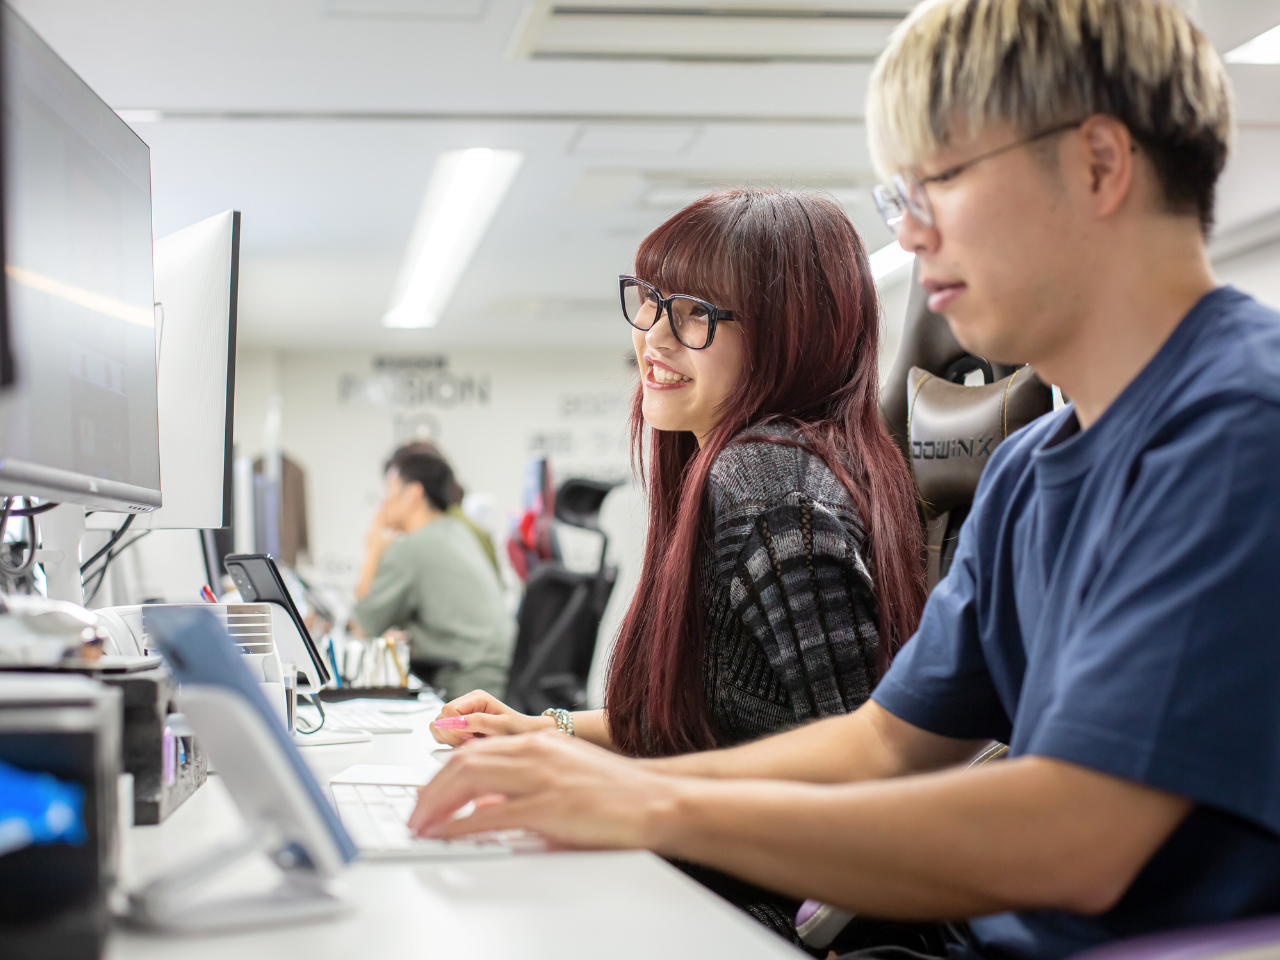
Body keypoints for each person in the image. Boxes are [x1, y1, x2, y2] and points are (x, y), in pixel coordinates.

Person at [407, 2, 1280, 959]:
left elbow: (1082, 840)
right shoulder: (1033, 470)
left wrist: (648, 801)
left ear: (1099, 166)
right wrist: (580, 767)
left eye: (935, 183)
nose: (907, 235)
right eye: (897, 196)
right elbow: (882, 744)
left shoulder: (1239, 430)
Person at [429, 188, 928, 942]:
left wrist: (616, 794)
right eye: (652, 301)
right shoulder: (737, 471)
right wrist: (545, 730)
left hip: (762, 919)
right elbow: (702, 731)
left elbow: (863, 776)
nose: (655, 338)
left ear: (788, 334)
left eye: (696, 313)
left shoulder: (768, 486)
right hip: (713, 886)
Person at [353, 443, 513, 699]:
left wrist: (372, 549)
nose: (383, 502)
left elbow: (363, 625)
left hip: (466, 684)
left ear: (414, 494)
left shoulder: (411, 548)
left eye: (389, 489)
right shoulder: (458, 532)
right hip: (497, 676)